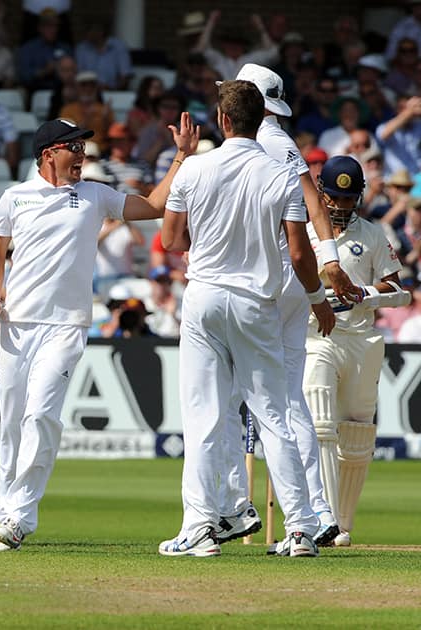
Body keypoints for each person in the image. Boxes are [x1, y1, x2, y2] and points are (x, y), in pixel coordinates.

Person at [0, 112, 199, 551]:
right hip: (17, 325)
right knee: (13, 423)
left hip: (65, 326)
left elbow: (154, 207)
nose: (82, 155)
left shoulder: (95, 195)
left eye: (83, 148)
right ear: (49, 154)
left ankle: (20, 516)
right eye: (73, 148)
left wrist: (180, 157)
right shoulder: (15, 198)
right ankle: (7, 509)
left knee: (41, 415)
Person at [158, 80, 334, 559]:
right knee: (274, 415)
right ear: (263, 120)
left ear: (224, 119)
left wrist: (215, 238)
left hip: (206, 297)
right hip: (257, 302)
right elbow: (300, 255)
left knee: (204, 417)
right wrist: (317, 300)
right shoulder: (280, 175)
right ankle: (300, 529)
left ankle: (198, 528)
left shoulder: (194, 167)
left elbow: (172, 241)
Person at [214, 63, 358, 548]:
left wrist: (327, 261)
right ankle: (315, 510)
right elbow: (315, 201)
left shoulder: (265, 142)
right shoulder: (282, 140)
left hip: (273, 284)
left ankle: (243, 508)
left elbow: (311, 203)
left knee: (248, 399)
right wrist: (328, 262)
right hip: (291, 283)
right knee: (287, 399)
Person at [303, 157, 409, 547]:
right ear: (320, 192)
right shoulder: (301, 229)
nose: (342, 207)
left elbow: (394, 286)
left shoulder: (373, 233)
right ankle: (323, 520)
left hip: (361, 339)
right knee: (321, 427)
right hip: (316, 337)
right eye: (335, 198)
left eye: (349, 200)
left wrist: (361, 293)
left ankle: (342, 526)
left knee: (358, 435)